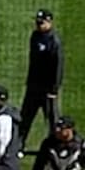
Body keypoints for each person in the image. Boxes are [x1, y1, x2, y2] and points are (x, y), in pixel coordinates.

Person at [20, 9, 64, 140]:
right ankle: (18, 147)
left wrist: (54, 89)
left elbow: (58, 67)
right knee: (25, 118)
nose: (39, 25)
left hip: (47, 89)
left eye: (42, 23)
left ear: (49, 22)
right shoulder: (35, 36)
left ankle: (53, 146)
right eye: (37, 23)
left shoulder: (54, 41)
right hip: (33, 87)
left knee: (52, 120)